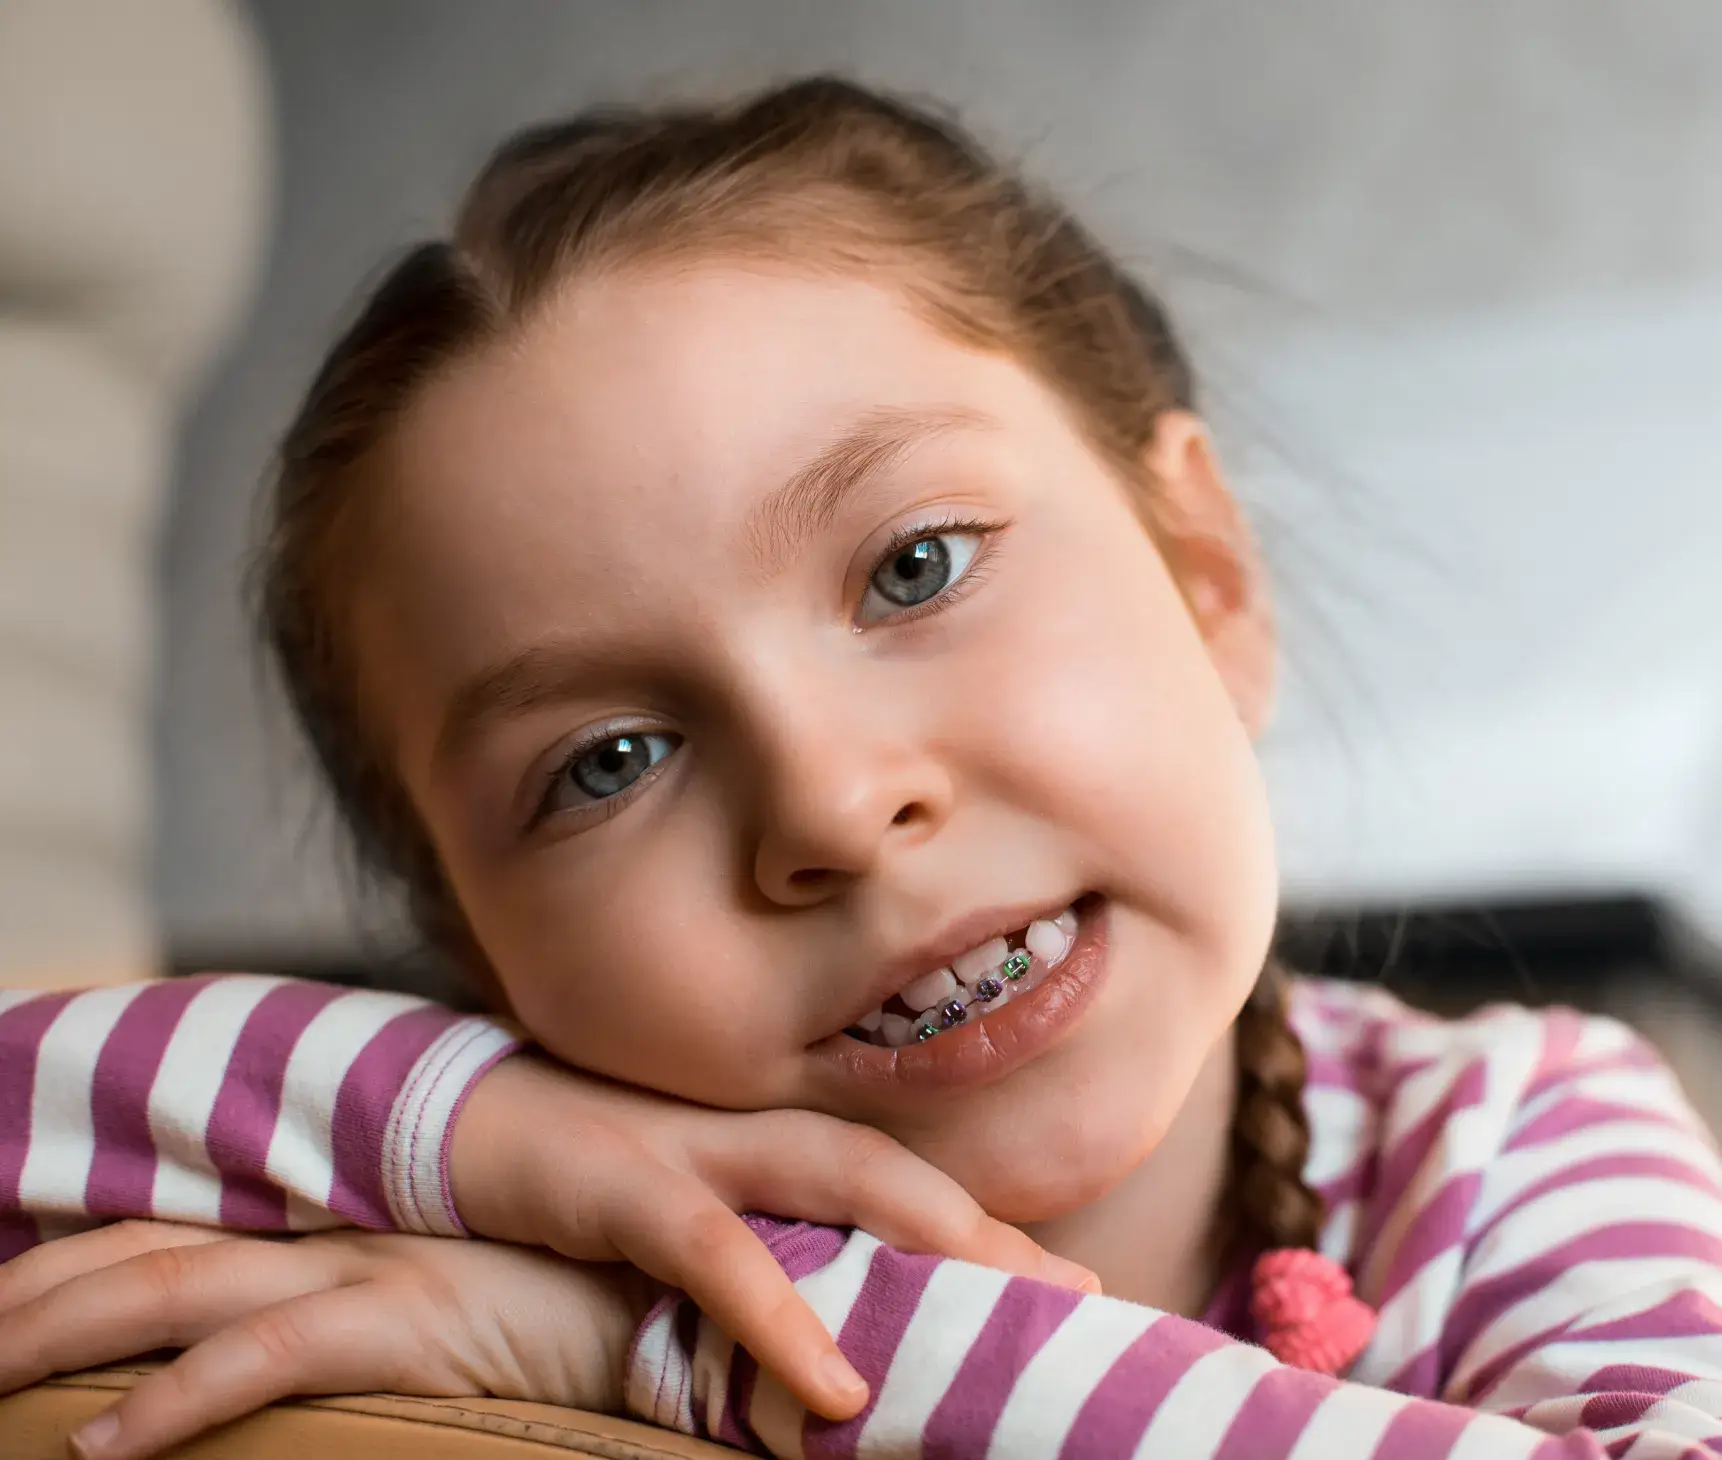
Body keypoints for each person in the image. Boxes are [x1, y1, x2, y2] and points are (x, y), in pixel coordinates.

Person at [4, 76, 1722, 1460]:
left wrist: (692, 1344)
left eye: (916, 568)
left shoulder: (1516, 1138)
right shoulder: (449, 1204)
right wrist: (499, 1141)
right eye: (606, 761)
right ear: (483, 951)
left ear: (1206, 580)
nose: (829, 803)